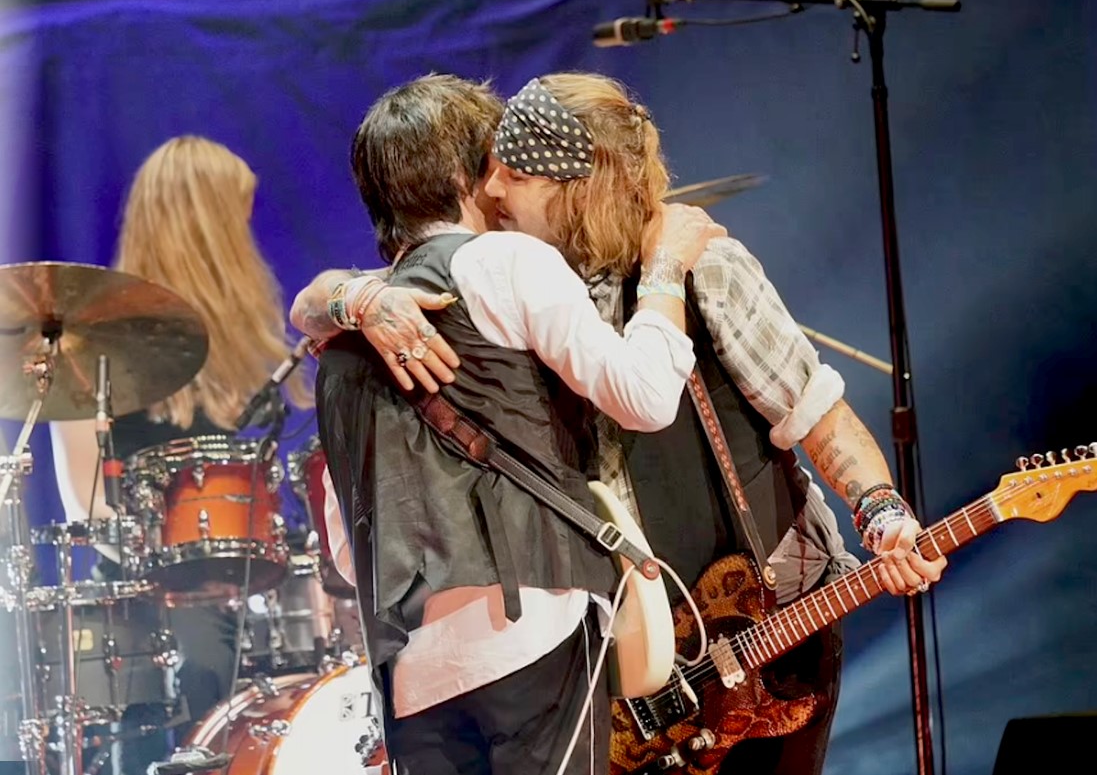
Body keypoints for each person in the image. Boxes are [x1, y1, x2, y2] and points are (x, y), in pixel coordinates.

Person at [292, 72, 948, 775]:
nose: (491, 192)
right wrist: (348, 295)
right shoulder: (503, 285)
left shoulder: (700, 271)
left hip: (762, 629)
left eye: (512, 175)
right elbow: (328, 302)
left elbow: (814, 412)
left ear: (574, 186)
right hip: (634, 657)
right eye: (490, 171)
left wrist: (880, 513)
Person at [308, 73, 721, 775]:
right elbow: (646, 397)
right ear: (466, 174)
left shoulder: (338, 345)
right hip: (529, 632)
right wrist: (664, 271)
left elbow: (350, 554)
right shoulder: (506, 261)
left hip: (411, 677)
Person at [50, 135, 312, 773]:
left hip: (244, 583)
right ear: (207, 229)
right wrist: (166, 560)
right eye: (237, 220)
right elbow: (83, 499)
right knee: (206, 671)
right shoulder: (91, 344)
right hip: (148, 593)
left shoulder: (228, 339)